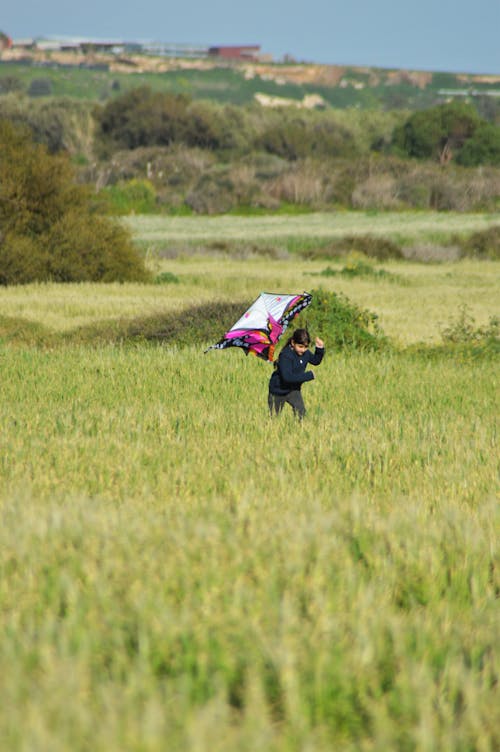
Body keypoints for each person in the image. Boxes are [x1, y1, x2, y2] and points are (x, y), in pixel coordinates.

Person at [268, 328, 325, 419]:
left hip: (293, 390)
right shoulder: (286, 355)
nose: (303, 350)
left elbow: (315, 360)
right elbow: (287, 377)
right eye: (300, 346)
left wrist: (320, 348)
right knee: (274, 418)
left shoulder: (305, 353)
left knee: (301, 414)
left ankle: (299, 431)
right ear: (293, 343)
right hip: (278, 391)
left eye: (306, 347)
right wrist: (308, 376)